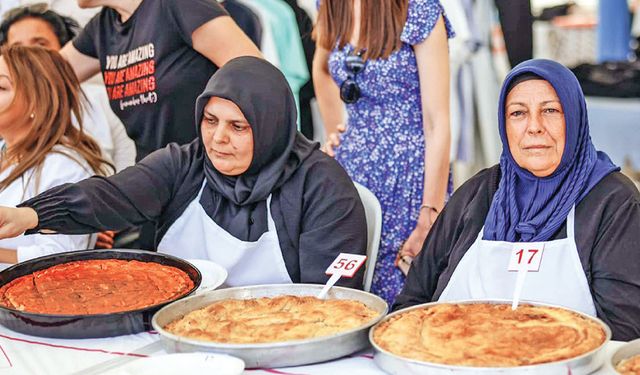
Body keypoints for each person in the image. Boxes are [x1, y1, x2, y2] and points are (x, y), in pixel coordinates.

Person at [0, 57, 368, 288]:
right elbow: (112, 195)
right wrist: (28, 215)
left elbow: (330, 298)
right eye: (210, 121)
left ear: (272, 125)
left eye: (238, 127)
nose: (218, 139)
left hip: (283, 340)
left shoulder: (321, 185)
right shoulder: (184, 164)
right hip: (177, 331)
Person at [394, 59, 640, 341]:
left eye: (550, 110)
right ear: (504, 123)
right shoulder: (479, 191)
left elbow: (623, 332)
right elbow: (412, 303)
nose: (534, 127)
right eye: (518, 113)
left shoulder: (613, 201)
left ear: (574, 117)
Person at [312, 0, 454, 303]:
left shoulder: (418, 9)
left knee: (404, 293)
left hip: (410, 178)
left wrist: (430, 212)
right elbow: (322, 67)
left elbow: (437, 121)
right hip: (352, 176)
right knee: (351, 291)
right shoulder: (331, 4)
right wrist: (335, 129)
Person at [61, 0, 262, 161]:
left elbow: (258, 75)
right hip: (158, 180)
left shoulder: (179, 5)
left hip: (208, 174)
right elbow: (43, 76)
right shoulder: (102, 26)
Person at [0, 45, 113, 268]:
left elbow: (62, 255)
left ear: (36, 101)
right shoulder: (5, 149)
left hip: (27, 297)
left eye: (1, 86)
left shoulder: (65, 165)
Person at [0, 3, 136, 173]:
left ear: (64, 47)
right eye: (17, 49)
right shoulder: (8, 144)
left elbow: (128, 168)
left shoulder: (65, 167)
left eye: (40, 45)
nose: (30, 58)